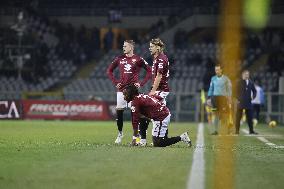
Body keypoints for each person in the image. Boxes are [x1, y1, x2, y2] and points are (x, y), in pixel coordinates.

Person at [106, 40, 152, 144]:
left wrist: (141, 83)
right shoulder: (119, 58)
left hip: (133, 91)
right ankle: (120, 133)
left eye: (125, 46)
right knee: (119, 112)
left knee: (135, 113)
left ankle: (136, 137)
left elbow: (149, 71)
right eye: (123, 46)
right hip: (121, 90)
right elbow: (109, 70)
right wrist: (115, 82)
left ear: (131, 47)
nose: (123, 47)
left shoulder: (138, 59)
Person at [123, 84, 192, 147]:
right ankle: (143, 141)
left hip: (161, 117)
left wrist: (134, 139)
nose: (124, 97)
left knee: (158, 143)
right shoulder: (140, 96)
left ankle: (182, 137)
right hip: (162, 113)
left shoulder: (135, 102)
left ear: (131, 94)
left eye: (125, 94)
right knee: (141, 117)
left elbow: (135, 122)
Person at [138, 38, 170, 146]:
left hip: (160, 91)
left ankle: (142, 140)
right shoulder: (157, 58)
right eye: (150, 46)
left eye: (152, 46)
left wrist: (153, 91)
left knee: (143, 112)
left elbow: (159, 76)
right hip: (160, 91)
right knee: (161, 115)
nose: (149, 48)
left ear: (158, 47)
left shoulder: (161, 59)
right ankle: (163, 139)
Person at [207, 64, 232, 135]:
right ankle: (216, 130)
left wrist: (229, 97)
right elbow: (211, 89)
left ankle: (226, 130)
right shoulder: (213, 78)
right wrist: (209, 98)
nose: (216, 71)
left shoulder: (226, 79)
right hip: (214, 98)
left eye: (218, 69)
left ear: (221, 70)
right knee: (216, 115)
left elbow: (229, 89)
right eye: (215, 70)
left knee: (224, 115)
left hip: (223, 98)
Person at [235, 70, 258, 135]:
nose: (246, 75)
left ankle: (251, 131)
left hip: (248, 102)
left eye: (247, 74)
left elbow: (255, 91)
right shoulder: (239, 82)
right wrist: (238, 99)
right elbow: (235, 92)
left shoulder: (251, 82)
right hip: (240, 103)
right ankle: (237, 131)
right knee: (238, 118)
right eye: (245, 74)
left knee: (250, 118)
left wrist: (253, 97)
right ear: (242, 75)